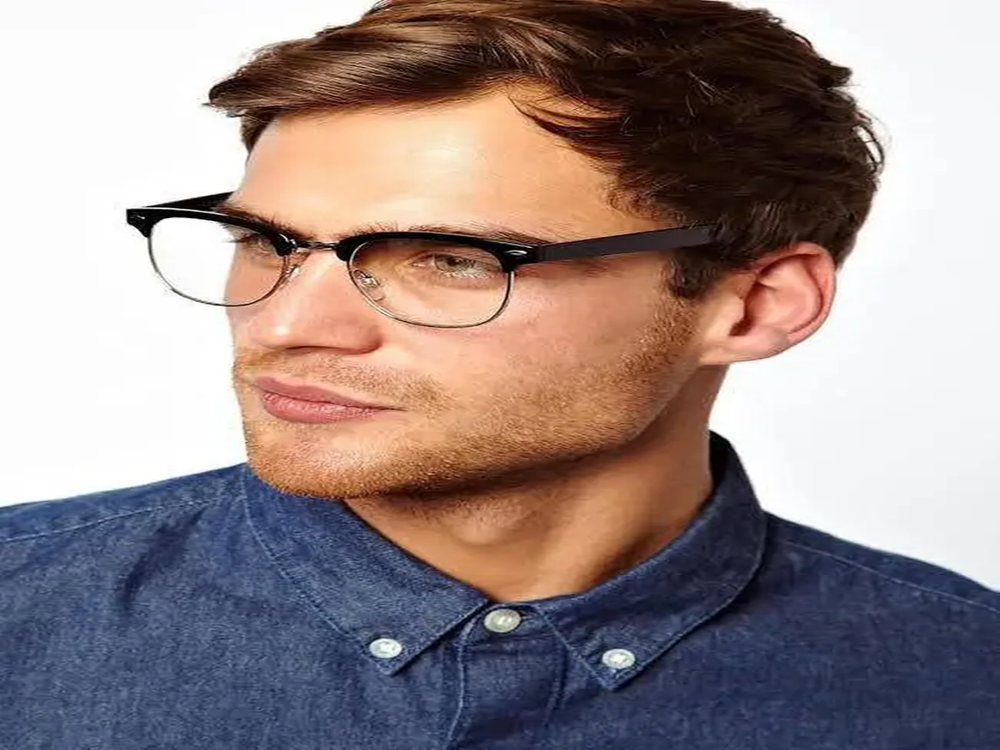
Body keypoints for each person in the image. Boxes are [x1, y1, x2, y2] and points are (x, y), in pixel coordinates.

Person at [2, 0, 997, 747]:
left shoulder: (963, 683)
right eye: (267, 242)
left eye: (451, 259)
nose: (289, 324)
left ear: (756, 305)